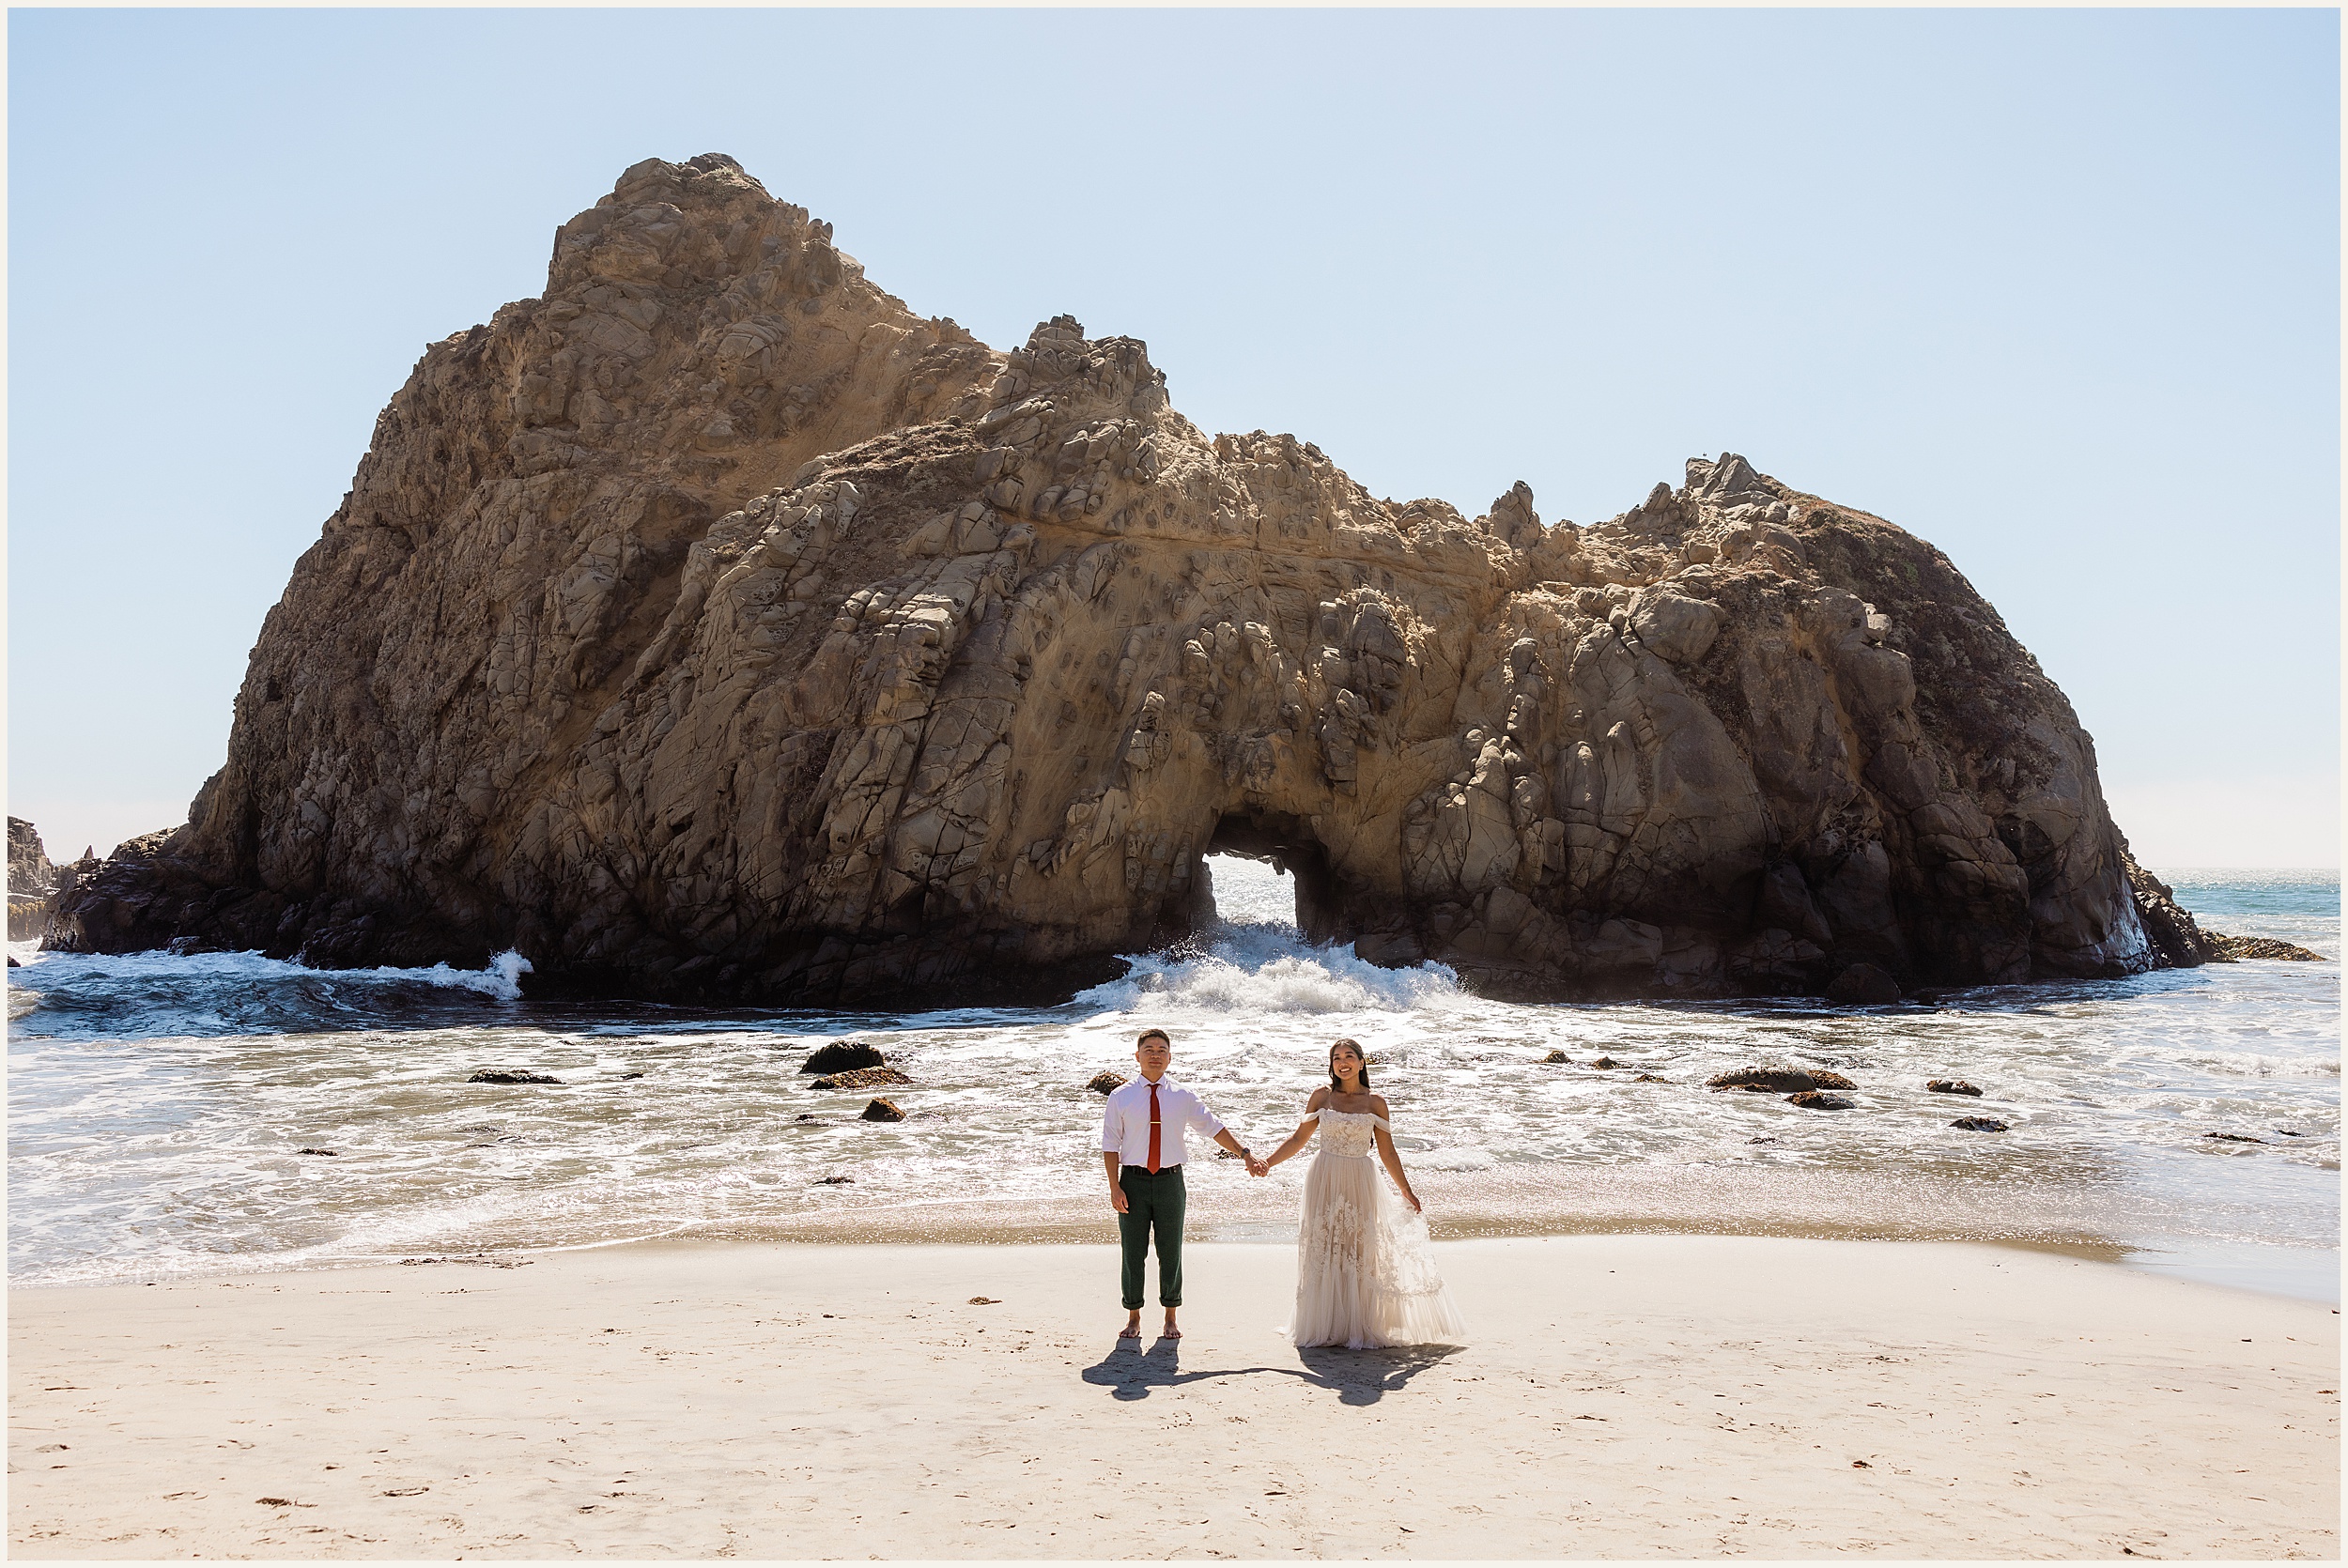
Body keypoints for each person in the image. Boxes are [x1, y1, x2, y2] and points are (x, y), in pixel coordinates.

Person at [1259, 1037, 1466, 1349]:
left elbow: (1387, 1152)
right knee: (1324, 1245)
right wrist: (1268, 1163)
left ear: (1362, 1061)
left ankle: (1357, 1323)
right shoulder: (1321, 1097)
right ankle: (1324, 1324)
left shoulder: (1375, 1103)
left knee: (1359, 1250)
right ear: (1332, 1065)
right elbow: (1299, 1138)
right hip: (1324, 1176)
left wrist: (1405, 1189)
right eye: (1337, 1058)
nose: (1343, 1062)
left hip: (1360, 1177)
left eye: (1349, 1056)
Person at [1099, 1026, 1266, 1343]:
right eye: (1149, 1049)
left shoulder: (1182, 1096)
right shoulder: (1121, 1097)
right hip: (1131, 1182)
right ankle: (1133, 1316)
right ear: (1137, 1056)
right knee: (1132, 1253)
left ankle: (1170, 1316)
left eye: (1162, 1050)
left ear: (1170, 1057)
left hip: (1170, 1183)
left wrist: (1245, 1153)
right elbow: (1110, 1145)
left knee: (1170, 1251)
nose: (1156, 1055)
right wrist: (1114, 1187)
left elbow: (1214, 1128)